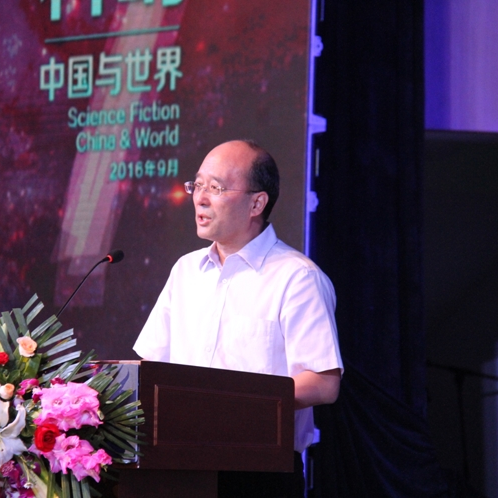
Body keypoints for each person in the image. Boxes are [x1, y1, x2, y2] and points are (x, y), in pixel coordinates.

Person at [133, 139, 343, 497]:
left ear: (256, 203)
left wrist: (228, 405)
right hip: (178, 466)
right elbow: (151, 366)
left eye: (215, 188)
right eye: (198, 185)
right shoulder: (186, 271)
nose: (200, 198)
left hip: (257, 472)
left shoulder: (297, 277)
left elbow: (323, 383)